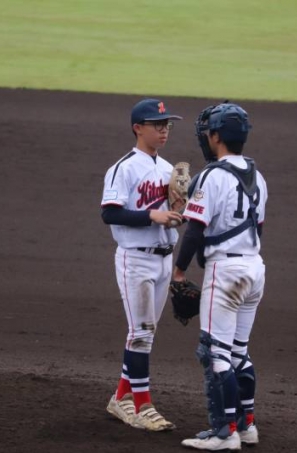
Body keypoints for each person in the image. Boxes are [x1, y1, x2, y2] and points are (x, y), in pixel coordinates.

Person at [172, 102, 268, 450]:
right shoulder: (259, 177)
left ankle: (223, 433)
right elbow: (257, 229)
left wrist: (179, 272)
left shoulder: (212, 176)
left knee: (215, 354)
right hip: (254, 269)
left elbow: (195, 231)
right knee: (238, 352)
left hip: (226, 272)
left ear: (215, 137)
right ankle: (246, 425)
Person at [101, 98, 185, 431]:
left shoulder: (168, 169)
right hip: (135, 259)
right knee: (141, 334)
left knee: (145, 334)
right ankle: (142, 406)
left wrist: (180, 209)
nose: (164, 130)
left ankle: (121, 398)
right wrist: (153, 215)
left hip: (164, 259)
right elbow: (110, 213)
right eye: (157, 125)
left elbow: (172, 215)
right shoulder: (124, 168)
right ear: (138, 128)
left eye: (167, 124)